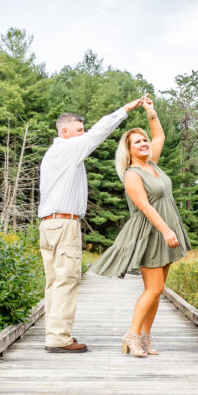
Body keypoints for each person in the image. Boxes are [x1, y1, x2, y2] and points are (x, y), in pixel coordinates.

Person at [38, 95, 146, 353]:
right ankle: (58, 338)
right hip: (64, 224)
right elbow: (99, 132)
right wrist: (125, 109)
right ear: (65, 132)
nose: (83, 134)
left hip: (49, 224)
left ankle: (55, 333)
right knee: (67, 279)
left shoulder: (54, 153)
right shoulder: (68, 148)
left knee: (54, 282)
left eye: (82, 130)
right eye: (79, 130)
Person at [88, 96, 191, 357]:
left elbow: (160, 137)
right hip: (149, 233)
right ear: (129, 149)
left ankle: (145, 338)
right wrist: (166, 230)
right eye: (137, 142)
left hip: (164, 230)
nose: (144, 143)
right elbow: (145, 206)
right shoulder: (132, 174)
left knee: (158, 290)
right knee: (153, 289)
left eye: (144, 140)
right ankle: (131, 335)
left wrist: (150, 112)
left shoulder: (152, 163)